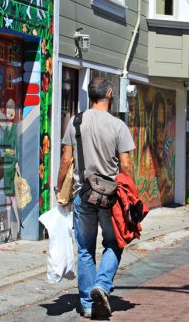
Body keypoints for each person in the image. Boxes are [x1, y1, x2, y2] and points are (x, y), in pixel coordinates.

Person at [55, 78, 135, 319]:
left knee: (85, 249)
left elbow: (66, 160)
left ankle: (88, 303)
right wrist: (130, 194)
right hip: (111, 198)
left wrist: (60, 189)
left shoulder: (75, 122)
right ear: (110, 93)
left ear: (90, 95)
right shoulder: (118, 126)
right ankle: (102, 284)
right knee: (115, 243)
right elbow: (126, 165)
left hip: (83, 195)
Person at [0, 98, 22, 241]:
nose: (10, 113)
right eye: (8, 111)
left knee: (12, 197)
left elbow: (17, 147)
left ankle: (18, 225)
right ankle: (8, 229)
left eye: (12, 111)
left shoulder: (14, 129)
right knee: (7, 198)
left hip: (11, 163)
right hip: (5, 163)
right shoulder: (5, 129)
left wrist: (16, 162)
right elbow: (1, 146)